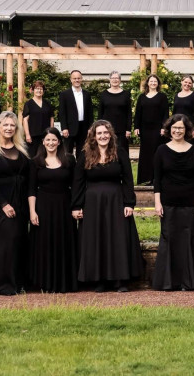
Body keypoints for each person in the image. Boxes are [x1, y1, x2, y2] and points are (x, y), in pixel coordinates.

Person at [72, 120, 144, 292]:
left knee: (118, 238)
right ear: (94, 136)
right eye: (99, 133)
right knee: (96, 239)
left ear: (111, 135)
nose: (103, 136)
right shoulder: (85, 154)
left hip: (116, 201)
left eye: (106, 133)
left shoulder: (119, 152)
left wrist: (129, 203)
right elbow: (78, 181)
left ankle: (120, 280)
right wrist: (76, 206)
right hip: (92, 203)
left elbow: (127, 179)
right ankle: (99, 280)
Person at [152, 115, 194, 291]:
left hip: (191, 204)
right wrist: (157, 203)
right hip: (168, 204)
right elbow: (157, 180)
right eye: (174, 128)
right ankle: (169, 282)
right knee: (169, 240)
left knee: (190, 241)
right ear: (169, 129)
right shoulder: (161, 150)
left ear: (186, 130)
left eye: (180, 128)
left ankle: (190, 282)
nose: (177, 131)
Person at [0, 111, 31, 296]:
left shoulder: (22, 149)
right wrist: (4, 204)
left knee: (19, 242)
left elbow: (28, 177)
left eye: (12, 125)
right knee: (6, 244)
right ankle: (3, 285)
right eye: (6, 125)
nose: (9, 128)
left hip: (21, 203)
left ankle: (18, 283)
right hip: (0, 204)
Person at [27, 127, 78, 293]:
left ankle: (65, 282)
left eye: (54, 140)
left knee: (64, 243)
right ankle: (45, 282)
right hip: (43, 207)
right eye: (48, 140)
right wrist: (32, 211)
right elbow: (31, 189)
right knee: (44, 244)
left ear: (59, 141)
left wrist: (76, 207)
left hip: (64, 206)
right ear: (43, 142)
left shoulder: (69, 160)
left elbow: (76, 185)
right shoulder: (35, 162)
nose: (51, 143)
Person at [134, 73, 169, 185]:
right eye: (151, 81)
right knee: (146, 154)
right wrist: (136, 127)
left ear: (158, 84)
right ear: (147, 83)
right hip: (145, 130)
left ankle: (156, 178)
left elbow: (165, 114)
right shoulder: (141, 97)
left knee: (156, 153)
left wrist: (164, 127)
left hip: (157, 130)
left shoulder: (162, 97)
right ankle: (146, 178)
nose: (153, 83)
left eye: (155, 81)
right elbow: (138, 114)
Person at [59, 69, 94, 155]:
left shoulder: (87, 94)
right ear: (71, 80)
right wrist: (64, 128)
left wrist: (91, 128)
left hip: (84, 127)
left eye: (78, 78)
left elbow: (90, 112)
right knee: (68, 153)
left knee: (82, 152)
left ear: (81, 79)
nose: (77, 80)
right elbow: (62, 112)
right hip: (69, 128)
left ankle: (80, 164)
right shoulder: (64, 94)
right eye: (74, 78)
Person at [98, 71, 133, 152]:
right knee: (107, 150)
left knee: (122, 151)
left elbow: (129, 113)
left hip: (122, 129)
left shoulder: (126, 94)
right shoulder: (104, 94)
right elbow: (100, 113)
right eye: (113, 78)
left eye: (117, 78)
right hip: (107, 129)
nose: (115, 80)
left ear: (120, 80)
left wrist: (128, 129)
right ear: (110, 80)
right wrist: (99, 127)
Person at [22, 80, 55, 157]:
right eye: (37, 88)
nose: (39, 91)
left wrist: (51, 132)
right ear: (33, 90)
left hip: (45, 135)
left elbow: (51, 118)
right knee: (32, 156)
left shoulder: (47, 103)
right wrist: (27, 135)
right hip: (33, 135)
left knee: (45, 155)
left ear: (43, 91)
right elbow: (25, 120)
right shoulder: (28, 104)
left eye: (41, 89)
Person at [172, 75, 194, 141]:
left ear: (192, 84)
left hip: (188, 126)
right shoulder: (176, 95)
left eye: (189, 83)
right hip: (177, 126)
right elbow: (174, 112)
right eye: (185, 82)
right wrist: (172, 126)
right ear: (181, 82)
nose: (187, 84)